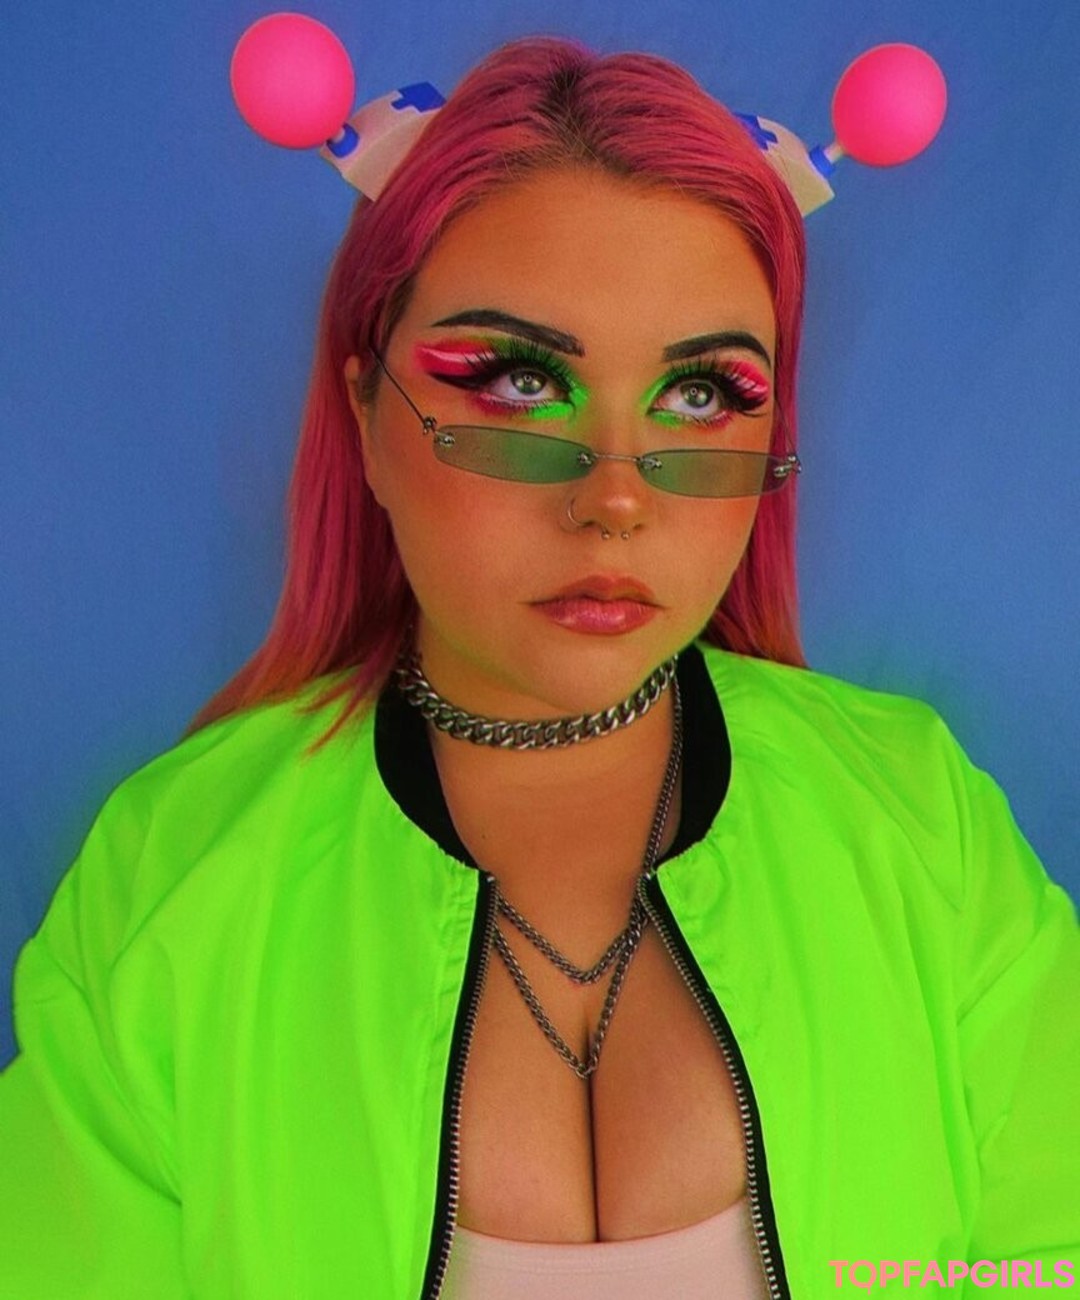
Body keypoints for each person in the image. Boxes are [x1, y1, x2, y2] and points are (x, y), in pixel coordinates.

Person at [1, 35, 1077, 1300]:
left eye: (700, 394)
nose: (615, 499)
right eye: (519, 382)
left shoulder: (924, 823)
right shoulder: (169, 878)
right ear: (365, 414)